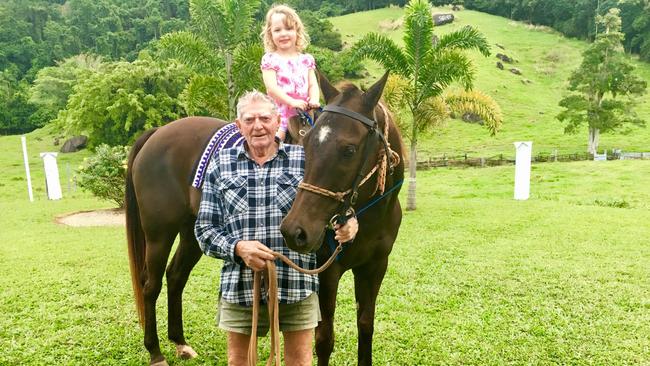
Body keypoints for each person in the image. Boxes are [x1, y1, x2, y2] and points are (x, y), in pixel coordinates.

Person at [194, 90, 357, 366]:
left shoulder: (303, 159)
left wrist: (349, 222)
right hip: (239, 287)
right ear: (238, 125)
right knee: (239, 361)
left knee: (299, 361)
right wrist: (238, 248)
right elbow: (205, 229)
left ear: (277, 120)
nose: (258, 125)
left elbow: (332, 202)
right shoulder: (220, 165)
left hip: (297, 286)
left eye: (265, 118)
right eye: (250, 119)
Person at [260, 4, 320, 142]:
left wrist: (314, 99)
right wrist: (292, 102)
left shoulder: (306, 60)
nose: (283, 34)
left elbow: (312, 85)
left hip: (305, 112)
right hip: (280, 112)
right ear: (270, 34)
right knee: (275, 141)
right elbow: (271, 89)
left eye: (289, 29)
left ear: (297, 31)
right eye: (277, 30)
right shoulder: (270, 59)